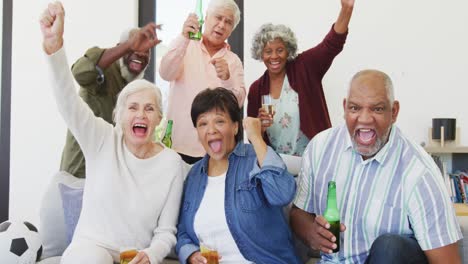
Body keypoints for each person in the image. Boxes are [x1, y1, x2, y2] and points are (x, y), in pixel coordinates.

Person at [40, 2, 185, 263]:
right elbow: (67, 101)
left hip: (135, 255)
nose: (141, 114)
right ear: (119, 116)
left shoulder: (171, 163)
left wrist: (151, 254)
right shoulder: (103, 139)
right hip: (91, 248)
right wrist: (54, 47)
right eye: (133, 107)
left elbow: (166, 232)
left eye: (149, 108)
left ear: (159, 119)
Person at [290, 69, 462, 263]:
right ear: (345, 107)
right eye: (355, 108)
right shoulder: (320, 148)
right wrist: (311, 233)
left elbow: (448, 261)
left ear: (394, 112)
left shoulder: (419, 173)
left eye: (377, 109)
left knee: (389, 248)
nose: (364, 119)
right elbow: (298, 213)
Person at [176, 87, 300, 264]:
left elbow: (282, 194)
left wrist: (256, 137)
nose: (211, 130)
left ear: (235, 127)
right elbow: (182, 232)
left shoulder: (256, 158)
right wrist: (190, 254)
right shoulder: (194, 176)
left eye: (219, 121)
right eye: (203, 123)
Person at [247, 0, 354, 157]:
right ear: (260, 54)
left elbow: (331, 45)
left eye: (280, 50)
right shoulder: (256, 89)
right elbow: (253, 136)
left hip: (315, 158)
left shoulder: (305, 67)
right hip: (278, 166)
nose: (274, 56)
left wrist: (347, 9)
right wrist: (260, 128)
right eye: (268, 51)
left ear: (288, 50)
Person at [60, 15, 161, 178]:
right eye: (134, 48)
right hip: (82, 173)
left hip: (110, 176)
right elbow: (79, 72)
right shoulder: (105, 70)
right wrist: (128, 45)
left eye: (146, 51)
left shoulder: (136, 87)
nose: (140, 53)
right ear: (120, 48)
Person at [159, 0, 246, 164]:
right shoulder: (185, 46)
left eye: (228, 22)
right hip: (178, 145)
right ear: (206, 18)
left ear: (232, 29)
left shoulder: (233, 61)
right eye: (218, 18)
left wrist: (226, 80)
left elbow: (238, 102)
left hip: (216, 149)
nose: (221, 25)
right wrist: (184, 38)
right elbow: (165, 73)